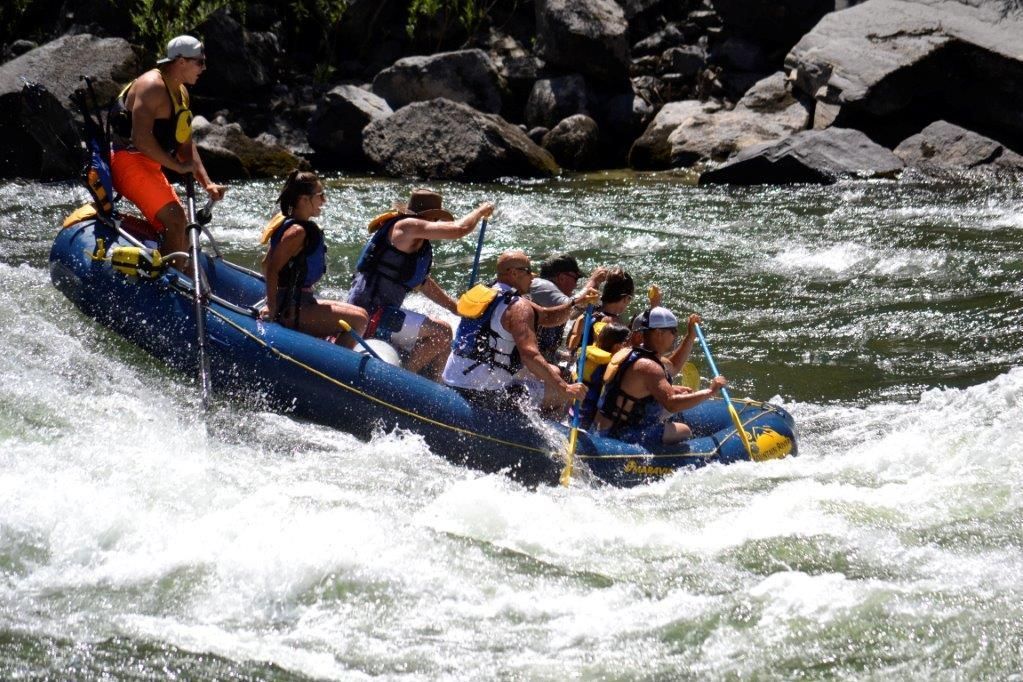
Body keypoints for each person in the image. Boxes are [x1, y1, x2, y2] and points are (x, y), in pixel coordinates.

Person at [348, 189, 493, 380]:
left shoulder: (413, 239)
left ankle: (436, 383)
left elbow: (422, 283)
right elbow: (460, 229)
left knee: (442, 335)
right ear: (428, 216)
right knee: (442, 332)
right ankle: (405, 380)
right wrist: (481, 210)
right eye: (436, 218)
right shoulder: (407, 226)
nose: (438, 224)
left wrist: (455, 308)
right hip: (371, 313)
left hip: (383, 312)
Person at [108, 35, 226, 263]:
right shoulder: (152, 86)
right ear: (181, 61)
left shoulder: (181, 92)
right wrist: (178, 167)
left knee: (183, 227)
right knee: (175, 219)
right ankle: (169, 283)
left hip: (150, 166)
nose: (203, 68)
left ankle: (178, 276)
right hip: (127, 162)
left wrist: (206, 182)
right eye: (199, 62)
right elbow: (140, 139)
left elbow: (185, 145)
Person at [442, 250, 600, 413]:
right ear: (513, 273)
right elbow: (530, 356)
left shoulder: (483, 293)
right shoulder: (518, 306)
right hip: (483, 393)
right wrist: (565, 388)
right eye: (528, 271)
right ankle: (533, 433)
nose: (533, 276)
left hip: (454, 378)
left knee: (556, 371)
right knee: (560, 393)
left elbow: (547, 317)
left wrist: (578, 303)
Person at [258, 170, 368, 349]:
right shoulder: (296, 233)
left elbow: (266, 263)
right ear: (304, 200)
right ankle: (331, 368)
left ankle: (329, 349)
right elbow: (271, 268)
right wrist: (271, 306)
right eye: (320, 195)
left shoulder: (293, 225)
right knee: (359, 320)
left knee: (362, 314)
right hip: (291, 307)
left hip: (303, 300)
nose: (324, 201)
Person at [593, 307, 726, 447]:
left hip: (606, 427)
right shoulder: (649, 367)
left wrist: (691, 335)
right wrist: (710, 391)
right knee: (684, 431)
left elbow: (673, 366)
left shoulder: (632, 352)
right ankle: (665, 461)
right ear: (659, 333)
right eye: (673, 331)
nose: (675, 335)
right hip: (620, 435)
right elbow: (672, 404)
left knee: (672, 408)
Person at [529, 254, 608, 363]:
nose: (575, 285)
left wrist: (564, 356)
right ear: (561, 277)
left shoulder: (552, 297)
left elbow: (571, 312)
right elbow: (571, 305)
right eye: (575, 279)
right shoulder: (541, 285)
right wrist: (593, 282)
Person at [572, 322, 630, 429]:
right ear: (617, 346)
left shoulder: (586, 353)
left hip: (574, 408)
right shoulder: (608, 364)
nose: (628, 346)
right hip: (588, 415)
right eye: (627, 343)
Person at [567, 267, 635, 353]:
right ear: (626, 298)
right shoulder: (613, 323)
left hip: (579, 360)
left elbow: (570, 343)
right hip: (595, 365)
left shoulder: (589, 311)